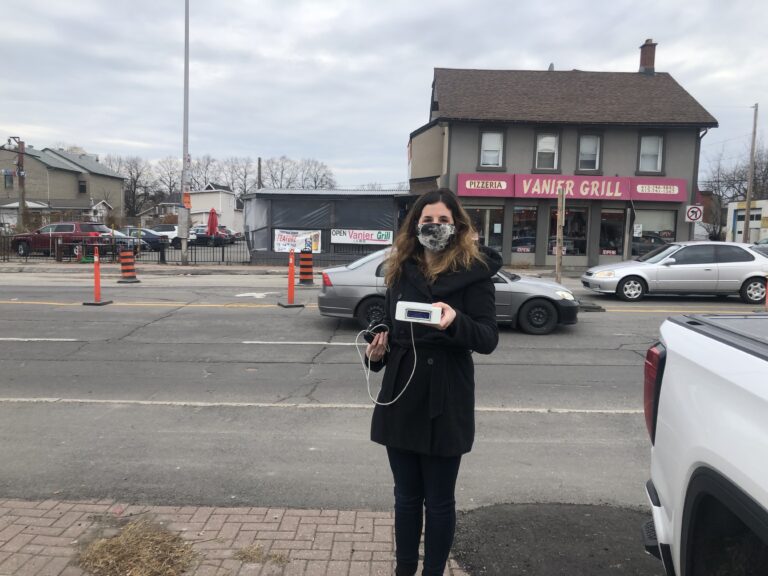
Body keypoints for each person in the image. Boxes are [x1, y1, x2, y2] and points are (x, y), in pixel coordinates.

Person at [365, 188, 501, 576]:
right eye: (427, 220)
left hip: (447, 397)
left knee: (439, 501)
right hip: (402, 393)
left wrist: (456, 320)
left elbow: (488, 338)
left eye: (443, 220)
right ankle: (404, 571)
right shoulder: (401, 269)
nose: (434, 226)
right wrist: (377, 345)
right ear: (415, 224)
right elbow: (390, 323)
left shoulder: (474, 275)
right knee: (406, 498)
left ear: (457, 225)